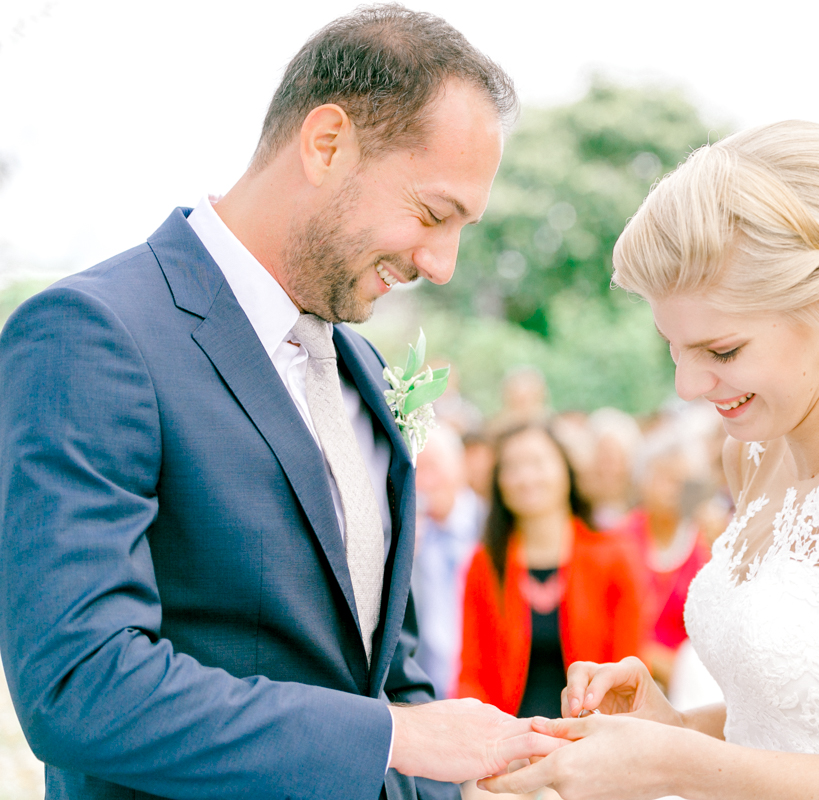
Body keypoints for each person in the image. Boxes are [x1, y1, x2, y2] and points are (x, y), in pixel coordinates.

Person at [0, 7, 557, 800]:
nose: (442, 263)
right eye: (434, 215)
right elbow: (80, 685)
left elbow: (381, 673)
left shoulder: (361, 367)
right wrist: (397, 738)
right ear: (326, 144)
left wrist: (476, 782)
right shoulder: (94, 334)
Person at [477, 120, 819, 800]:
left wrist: (672, 764)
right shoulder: (754, 454)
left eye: (723, 351)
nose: (687, 386)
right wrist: (670, 727)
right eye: (673, 348)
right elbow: (802, 733)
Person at [457, 423, 644, 719]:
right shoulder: (484, 563)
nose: (526, 477)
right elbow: (471, 672)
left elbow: (629, 665)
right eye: (512, 467)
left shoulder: (614, 556)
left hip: (593, 737)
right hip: (508, 745)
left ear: (566, 471)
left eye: (538, 462)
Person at [616, 434, 711, 687]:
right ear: (642, 481)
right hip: (623, 671)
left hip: (687, 683)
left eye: (681, 481)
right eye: (663, 477)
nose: (672, 489)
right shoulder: (620, 538)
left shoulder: (706, 542)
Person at [412, 428, 486, 699]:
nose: (424, 482)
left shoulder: (490, 524)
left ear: (459, 467)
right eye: (417, 470)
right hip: (430, 693)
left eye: (433, 467)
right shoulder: (408, 535)